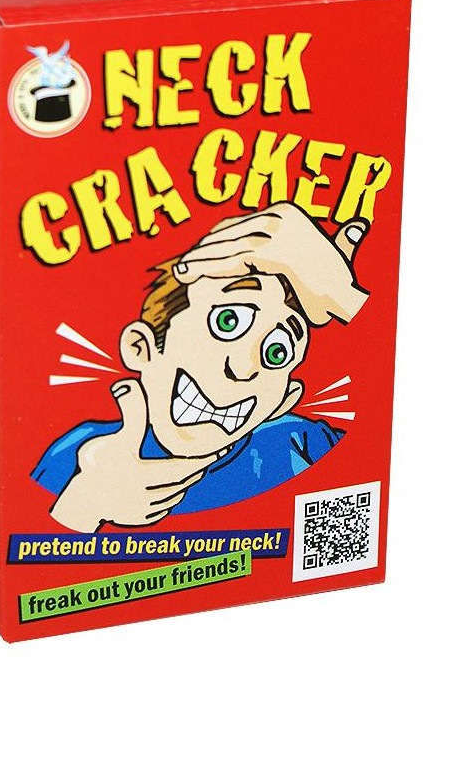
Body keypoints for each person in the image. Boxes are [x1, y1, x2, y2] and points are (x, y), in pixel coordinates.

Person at [32, 203, 370, 532]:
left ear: (283, 400)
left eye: (276, 352)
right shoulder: (80, 459)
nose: (242, 368)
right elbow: (26, 546)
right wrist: (82, 506)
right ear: (141, 348)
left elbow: (380, 441)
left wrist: (348, 300)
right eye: (228, 321)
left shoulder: (301, 444)